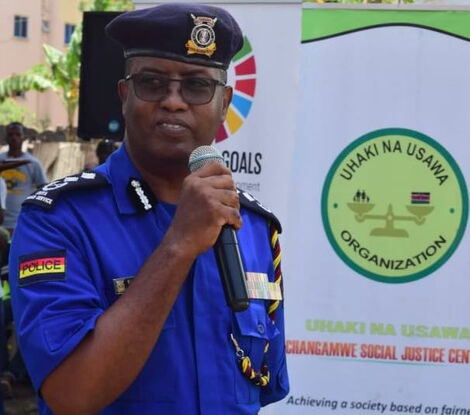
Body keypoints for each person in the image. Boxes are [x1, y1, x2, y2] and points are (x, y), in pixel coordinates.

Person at [9, 3, 289, 414]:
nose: (173, 102)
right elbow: (72, 395)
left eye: (196, 86)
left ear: (224, 102)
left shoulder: (254, 229)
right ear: (125, 95)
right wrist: (178, 244)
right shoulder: (58, 221)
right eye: (153, 83)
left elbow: (261, 386)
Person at [0, 122, 48, 234]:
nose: (14, 138)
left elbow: (44, 189)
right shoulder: (1, 160)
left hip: (22, 222)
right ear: (6, 138)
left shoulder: (33, 163)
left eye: (17, 135)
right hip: (1, 223)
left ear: (23, 137)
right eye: (11, 135)